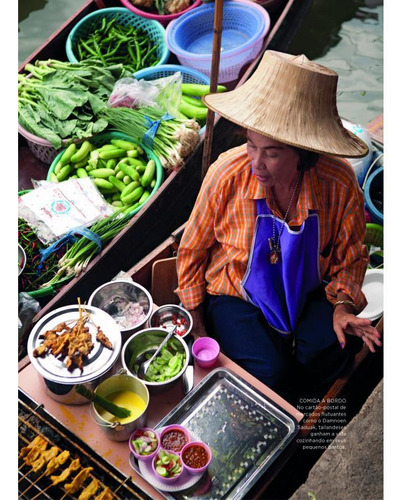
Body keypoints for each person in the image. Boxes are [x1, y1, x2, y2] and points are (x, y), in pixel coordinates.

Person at [175, 51, 381, 402]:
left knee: (333, 349)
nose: (256, 162)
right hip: (236, 293)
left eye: (271, 153)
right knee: (270, 373)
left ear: (303, 153)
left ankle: (308, 410)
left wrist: (343, 307)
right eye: (251, 145)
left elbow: (351, 258)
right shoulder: (228, 173)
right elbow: (192, 251)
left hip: (308, 290)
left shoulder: (338, 181)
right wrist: (198, 326)